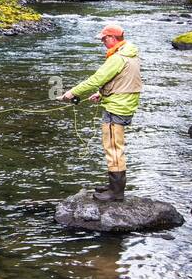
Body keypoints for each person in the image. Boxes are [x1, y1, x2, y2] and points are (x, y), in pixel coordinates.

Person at [56, 23, 142, 201]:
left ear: (113, 38)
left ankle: (116, 192)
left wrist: (72, 92)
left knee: (113, 148)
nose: (102, 42)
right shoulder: (130, 53)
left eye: (104, 38)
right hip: (123, 104)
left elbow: (96, 78)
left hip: (116, 108)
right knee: (113, 147)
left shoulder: (117, 58)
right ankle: (113, 185)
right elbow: (122, 81)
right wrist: (101, 93)